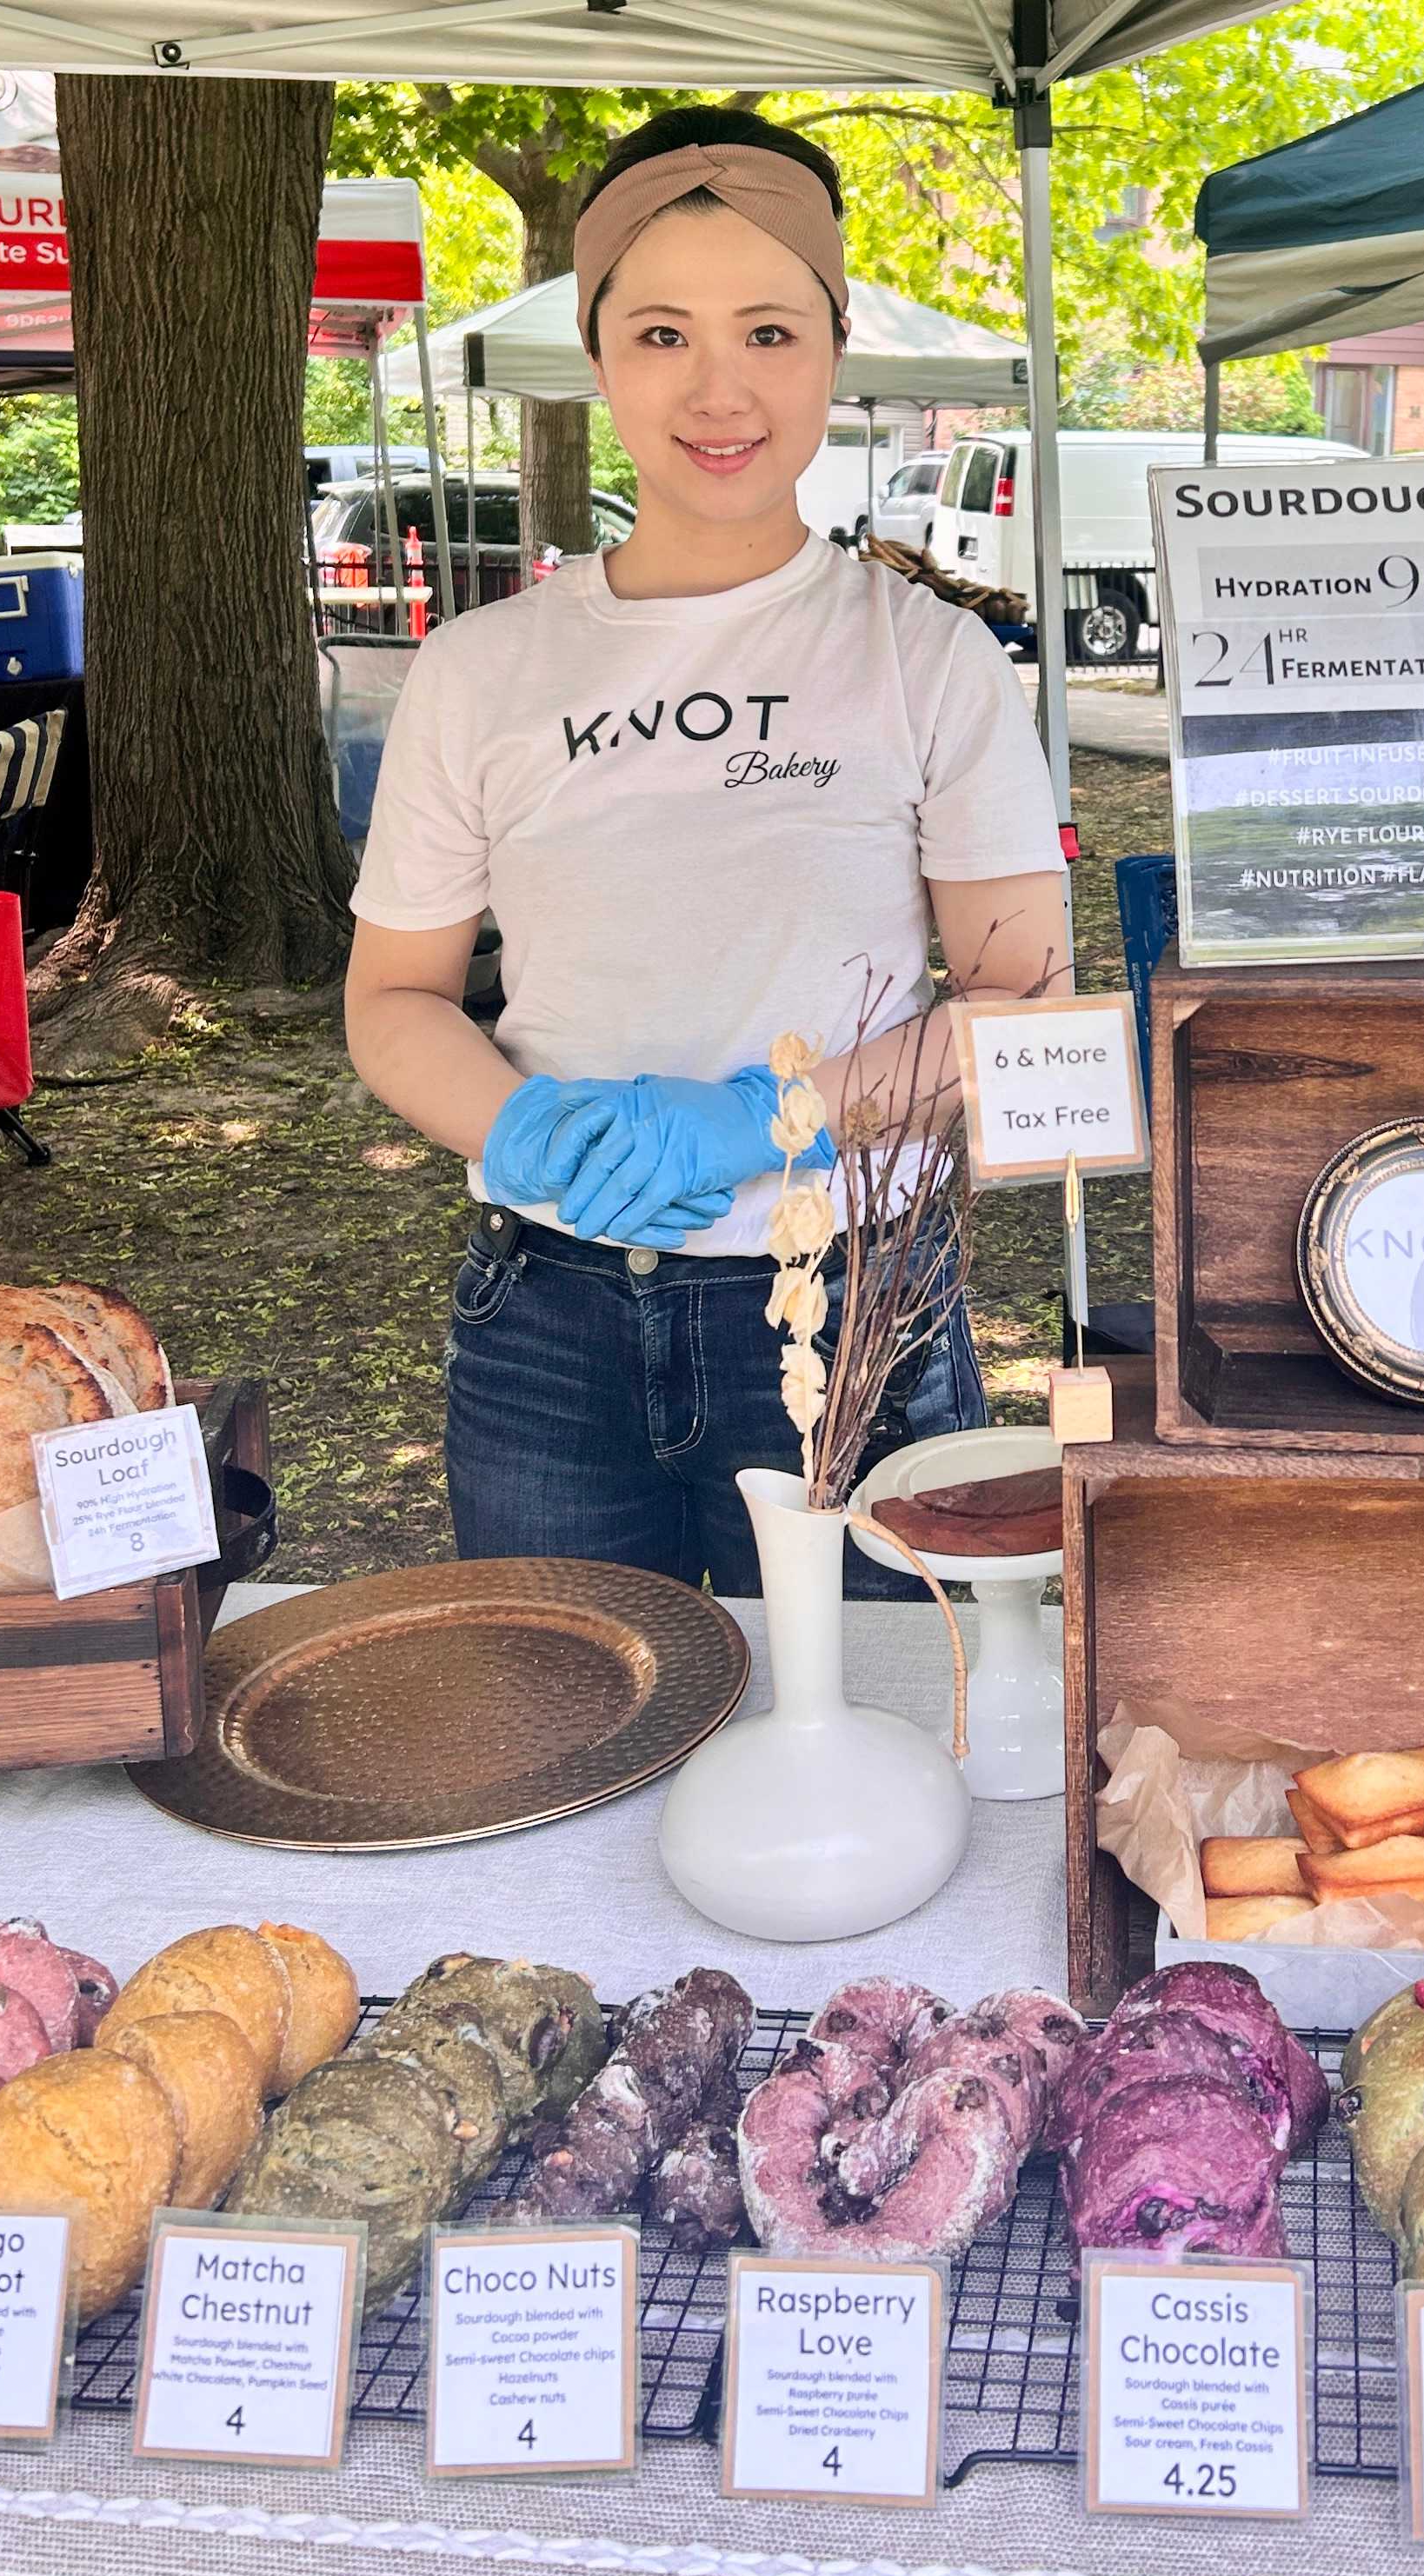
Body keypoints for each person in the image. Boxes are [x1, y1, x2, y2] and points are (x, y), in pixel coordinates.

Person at [344, 103, 1069, 1596]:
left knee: (882, 1742)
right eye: (663, 333)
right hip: (544, 1325)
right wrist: (519, 1128)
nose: (719, 387)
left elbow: (1022, 1014)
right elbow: (396, 998)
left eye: (768, 331)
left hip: (851, 1298)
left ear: (831, 347)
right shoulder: (477, 667)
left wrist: (758, 1119)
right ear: (598, 354)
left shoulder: (924, 657)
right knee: (564, 1737)